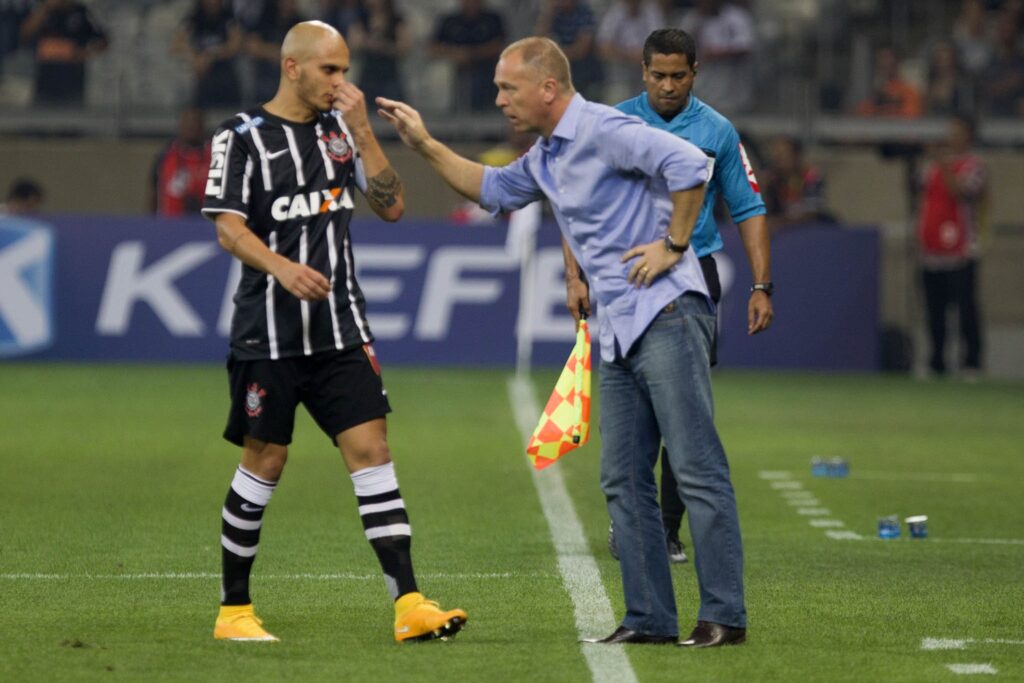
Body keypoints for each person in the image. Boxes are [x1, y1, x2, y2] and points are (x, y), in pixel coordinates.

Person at [379, 36, 747, 647]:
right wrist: (423, 144)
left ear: (548, 87)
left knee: (695, 467)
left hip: (668, 311)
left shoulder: (605, 129)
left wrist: (675, 246)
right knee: (623, 480)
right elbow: (492, 189)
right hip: (620, 327)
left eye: (508, 88)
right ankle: (650, 619)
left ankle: (724, 617)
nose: (500, 100)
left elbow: (691, 166)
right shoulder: (548, 154)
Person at [200, 20, 466, 643]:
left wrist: (366, 134)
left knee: (373, 453)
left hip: (342, 329)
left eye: (345, 70)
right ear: (292, 67)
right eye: (330, 70)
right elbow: (227, 226)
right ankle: (234, 611)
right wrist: (283, 267)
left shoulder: (341, 134)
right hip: (268, 336)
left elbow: (392, 206)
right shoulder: (241, 137)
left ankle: (409, 605)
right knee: (266, 459)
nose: (341, 82)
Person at [593, 28, 771, 567]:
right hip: (627, 276)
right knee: (628, 409)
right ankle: (633, 522)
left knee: (683, 411)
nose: (668, 86)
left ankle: (666, 529)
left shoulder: (717, 130)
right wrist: (576, 274)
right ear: (643, 72)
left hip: (692, 278)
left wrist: (762, 285)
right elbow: (582, 201)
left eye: (678, 76)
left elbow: (749, 208)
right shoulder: (613, 124)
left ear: (695, 73)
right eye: (658, 75)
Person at [916, 115, 986, 379]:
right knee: (935, 310)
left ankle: (972, 362)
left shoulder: (974, 166)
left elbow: (960, 192)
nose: (951, 138)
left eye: (957, 133)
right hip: (932, 249)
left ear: (968, 137)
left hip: (961, 249)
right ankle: (937, 361)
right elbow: (922, 197)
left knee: (965, 308)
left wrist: (944, 165)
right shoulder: (930, 168)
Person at [19, 0, 107, 107]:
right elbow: (25, 34)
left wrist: (84, 53)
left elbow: (102, 40)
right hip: (46, 79)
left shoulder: (80, 12)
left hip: (72, 79)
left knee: (72, 115)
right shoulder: (42, 12)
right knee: (42, 115)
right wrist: (45, 9)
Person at [679, 0, 756, 115]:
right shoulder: (692, 18)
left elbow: (745, 47)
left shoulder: (737, 17)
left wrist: (717, 54)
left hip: (730, 83)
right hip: (703, 82)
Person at [427, 0, 506, 112]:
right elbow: (433, 47)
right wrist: (456, 54)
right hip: (454, 65)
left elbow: (499, 45)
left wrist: (472, 55)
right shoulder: (450, 20)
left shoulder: (492, 19)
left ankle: (485, 111)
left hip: (485, 65)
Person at [172, 0, 244, 110]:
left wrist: (211, 55)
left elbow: (236, 45)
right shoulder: (194, 18)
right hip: (201, 79)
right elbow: (176, 45)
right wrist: (194, 56)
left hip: (225, 77)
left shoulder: (228, 18)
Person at [596, 0, 665, 105]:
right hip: (621, 70)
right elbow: (603, 47)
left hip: (647, 68)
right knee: (618, 98)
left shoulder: (651, 11)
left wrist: (642, 56)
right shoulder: (615, 12)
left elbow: (661, 43)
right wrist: (627, 55)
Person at [761, 135, 832, 232]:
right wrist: (763, 188)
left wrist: (781, 222)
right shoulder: (774, 180)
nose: (778, 161)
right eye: (776, 157)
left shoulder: (811, 177)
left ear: (796, 156)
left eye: (783, 156)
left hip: (809, 230)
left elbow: (812, 212)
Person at [534, 0, 602, 101]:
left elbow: (581, 49)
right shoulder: (555, 13)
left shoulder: (584, 12)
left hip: (582, 67)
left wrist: (557, 54)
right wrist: (548, 13)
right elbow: (538, 42)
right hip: (560, 64)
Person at [151, 107, 212, 217]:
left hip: (206, 225)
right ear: (181, 126)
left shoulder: (216, 156)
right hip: (172, 225)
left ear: (202, 126)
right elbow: (154, 193)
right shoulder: (165, 156)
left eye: (195, 123)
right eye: (188, 123)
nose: (191, 127)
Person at [348, 0, 410, 104]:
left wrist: (383, 47)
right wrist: (370, 44)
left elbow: (404, 47)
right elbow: (354, 43)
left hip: (389, 71)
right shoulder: (362, 19)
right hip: (368, 71)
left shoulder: (396, 20)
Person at [246, 0, 307, 104]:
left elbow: (302, 53)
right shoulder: (266, 17)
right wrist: (274, 52)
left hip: (289, 79)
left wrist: (276, 53)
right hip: (264, 76)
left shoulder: (301, 23)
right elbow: (252, 46)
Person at [855, 45, 923, 118]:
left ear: (896, 64)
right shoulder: (869, 94)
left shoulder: (908, 93)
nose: (883, 64)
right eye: (880, 61)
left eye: (888, 61)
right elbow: (859, 116)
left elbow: (910, 118)